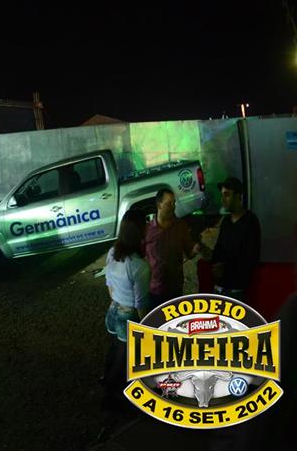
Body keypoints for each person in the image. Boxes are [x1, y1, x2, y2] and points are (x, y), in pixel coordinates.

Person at [98, 209, 150, 441]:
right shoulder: (139, 266)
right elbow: (140, 303)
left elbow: (109, 284)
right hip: (127, 315)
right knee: (123, 360)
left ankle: (106, 381)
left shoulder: (113, 252)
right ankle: (112, 397)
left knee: (113, 350)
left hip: (113, 310)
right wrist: (146, 325)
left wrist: (117, 300)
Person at [144, 188, 202, 308]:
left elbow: (189, 254)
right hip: (154, 290)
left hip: (175, 289)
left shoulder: (181, 226)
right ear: (159, 205)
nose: (173, 207)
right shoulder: (147, 230)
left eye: (174, 203)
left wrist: (195, 249)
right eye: (169, 203)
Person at [207, 177, 261, 302]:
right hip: (218, 289)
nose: (222, 199)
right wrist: (208, 254)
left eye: (227, 195)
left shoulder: (250, 221)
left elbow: (251, 258)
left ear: (238, 196)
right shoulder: (226, 221)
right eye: (222, 195)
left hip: (236, 292)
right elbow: (219, 250)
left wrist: (225, 269)